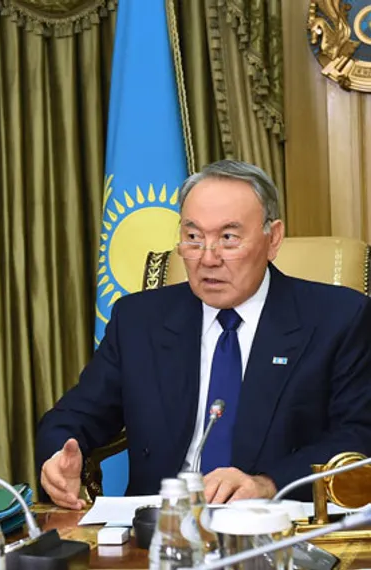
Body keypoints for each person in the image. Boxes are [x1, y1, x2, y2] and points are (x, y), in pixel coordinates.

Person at [36, 159, 371, 507]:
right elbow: (72, 417)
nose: (208, 259)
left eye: (228, 238)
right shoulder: (139, 320)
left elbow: (359, 435)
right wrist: (59, 459)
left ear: (273, 239)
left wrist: (269, 483)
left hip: (275, 520)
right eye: (194, 238)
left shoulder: (338, 318)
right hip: (159, 525)